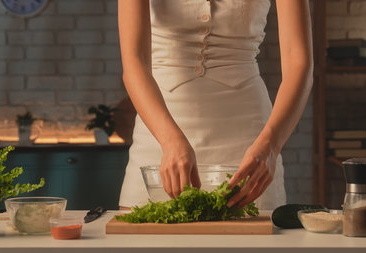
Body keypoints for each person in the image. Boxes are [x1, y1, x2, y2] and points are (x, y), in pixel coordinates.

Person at [118, 0, 313, 210]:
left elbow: (298, 62)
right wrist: (169, 140)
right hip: (159, 133)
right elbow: (134, 62)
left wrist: (272, 145)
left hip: (251, 140)